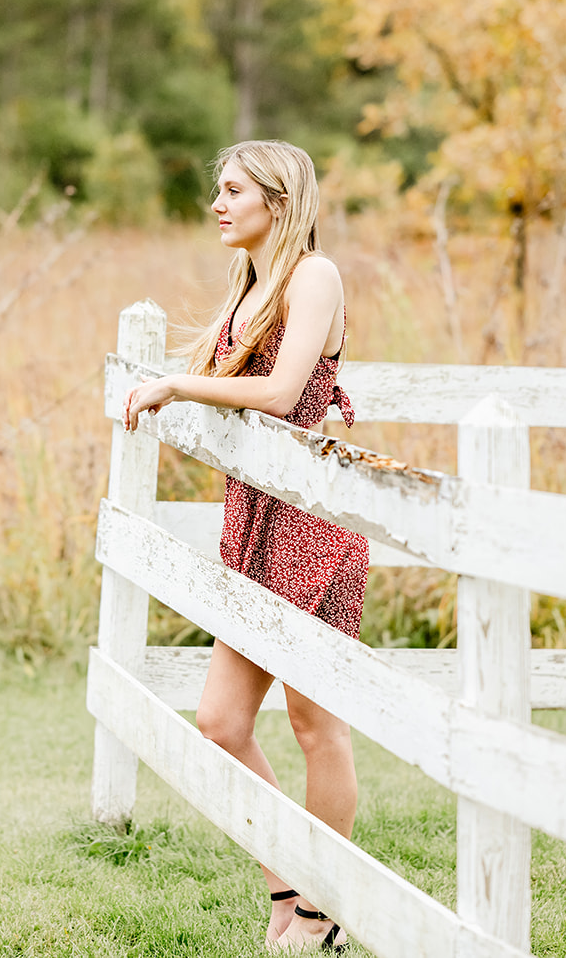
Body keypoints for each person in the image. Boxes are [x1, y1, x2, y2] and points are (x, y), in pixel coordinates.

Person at [122, 140, 368, 954]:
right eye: (217, 190)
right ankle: (291, 888)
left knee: (311, 722)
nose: (218, 204)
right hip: (255, 520)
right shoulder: (250, 285)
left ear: (276, 197)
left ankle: (319, 909)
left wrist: (177, 381)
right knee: (222, 721)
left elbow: (282, 392)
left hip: (309, 523)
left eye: (232, 190)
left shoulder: (313, 274)